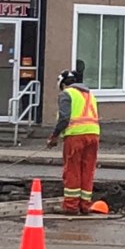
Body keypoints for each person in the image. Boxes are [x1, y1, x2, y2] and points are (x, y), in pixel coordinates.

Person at [46, 69, 100, 215]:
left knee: (73, 170)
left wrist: (54, 136)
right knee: (87, 170)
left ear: (62, 84)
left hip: (75, 136)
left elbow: (64, 118)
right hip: (93, 135)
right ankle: (85, 206)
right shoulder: (89, 94)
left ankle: (71, 206)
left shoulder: (66, 94)